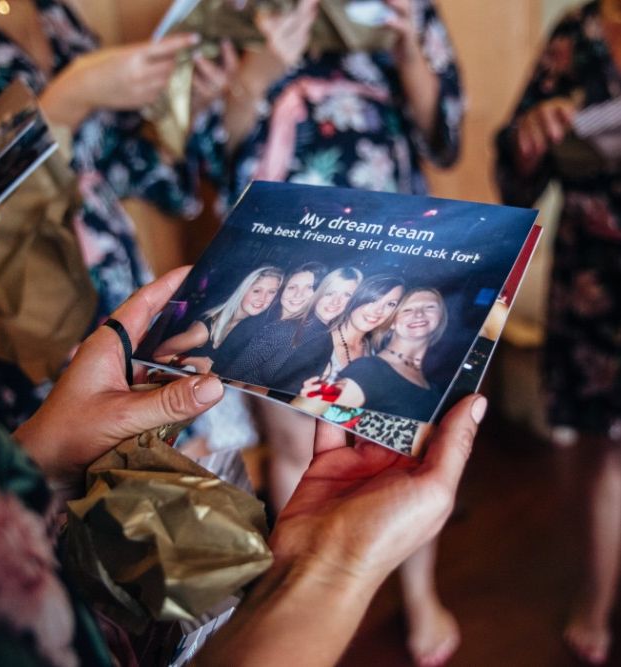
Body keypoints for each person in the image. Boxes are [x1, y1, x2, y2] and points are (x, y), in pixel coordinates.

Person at [0, 136, 489, 666]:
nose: (376, 311)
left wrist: (43, 460)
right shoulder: (293, 336)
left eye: (394, 308)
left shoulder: (365, 344)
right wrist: (330, 570)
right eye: (309, 289)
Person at [220, 2, 464, 660]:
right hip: (286, 231)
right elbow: (199, 146)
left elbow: (444, 134)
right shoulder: (234, 8)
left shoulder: (406, 7)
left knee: (400, 430)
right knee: (296, 434)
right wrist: (260, 69)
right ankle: (300, 599)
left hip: (396, 227)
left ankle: (418, 595)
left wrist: (410, 48)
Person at [0, 0, 228, 429]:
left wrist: (189, 104)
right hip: (20, 320)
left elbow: (119, 167)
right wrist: (68, 99)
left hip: (116, 286)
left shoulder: (53, 14)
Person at [495, 1, 621, 662]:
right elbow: (517, 182)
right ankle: (597, 600)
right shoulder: (574, 34)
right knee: (605, 450)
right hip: (593, 284)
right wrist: (530, 133)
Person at [224, 266, 363, 387]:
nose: (335, 301)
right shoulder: (284, 330)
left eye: (346, 295)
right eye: (330, 292)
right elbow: (230, 376)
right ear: (319, 292)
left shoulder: (331, 337)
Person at [332, 287, 447, 422]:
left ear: (441, 317)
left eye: (429, 307)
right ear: (392, 322)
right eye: (408, 310)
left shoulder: (436, 389)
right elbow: (330, 424)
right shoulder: (369, 370)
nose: (419, 314)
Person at [283, 274, 405, 396]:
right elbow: (279, 397)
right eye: (373, 300)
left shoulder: (375, 353)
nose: (378, 310)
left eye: (391, 304)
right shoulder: (314, 342)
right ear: (357, 298)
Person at [152, 266, 284, 374]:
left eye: (271, 292)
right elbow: (158, 355)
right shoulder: (202, 332)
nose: (263, 298)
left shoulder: (249, 326)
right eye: (257, 291)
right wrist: (194, 361)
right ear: (243, 290)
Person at [212, 261, 327, 376]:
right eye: (292, 287)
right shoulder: (256, 321)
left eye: (309, 287)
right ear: (281, 290)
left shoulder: (312, 334)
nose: (298, 294)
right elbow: (225, 368)